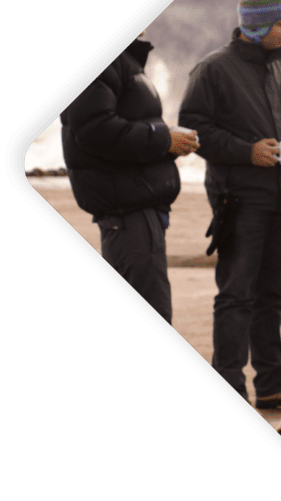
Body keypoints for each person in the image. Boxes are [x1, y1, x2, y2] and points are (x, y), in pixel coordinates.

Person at [178, 0, 281, 411]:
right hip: (239, 201)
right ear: (256, 25)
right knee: (236, 295)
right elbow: (194, 130)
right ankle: (229, 386)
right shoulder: (213, 70)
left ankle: (273, 382)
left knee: (273, 295)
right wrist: (247, 151)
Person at [60, 32, 199, 324]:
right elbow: (95, 129)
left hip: (136, 209)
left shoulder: (123, 60)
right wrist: (164, 139)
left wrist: (169, 141)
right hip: (128, 213)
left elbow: (117, 127)